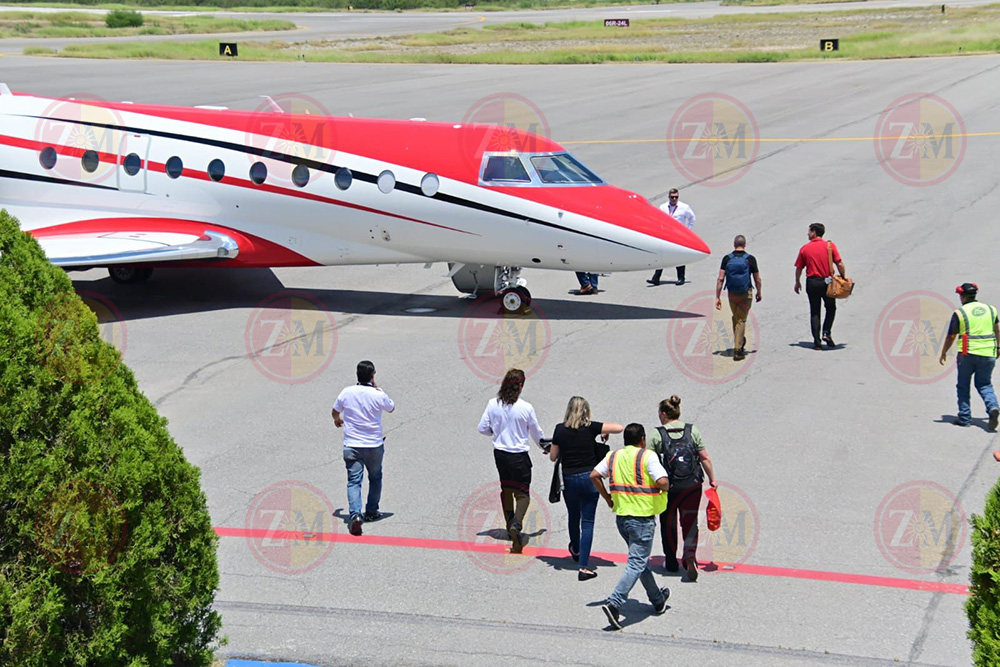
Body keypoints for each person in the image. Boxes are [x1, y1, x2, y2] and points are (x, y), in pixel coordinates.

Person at [591, 423, 670, 630]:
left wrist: (608, 498)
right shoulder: (648, 456)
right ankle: (615, 603)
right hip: (642, 518)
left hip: (622, 518)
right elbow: (662, 481)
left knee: (640, 560)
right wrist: (667, 485)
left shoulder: (614, 456)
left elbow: (594, 475)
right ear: (642, 439)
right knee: (636, 562)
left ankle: (657, 600)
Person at [549, 397, 624, 581]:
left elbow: (553, 457)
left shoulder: (560, 429)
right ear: (585, 411)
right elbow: (619, 427)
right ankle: (584, 566)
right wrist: (603, 432)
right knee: (588, 522)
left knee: (573, 516)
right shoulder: (590, 427)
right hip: (590, 478)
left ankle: (575, 548)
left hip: (569, 479)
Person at [649, 396, 716, 582]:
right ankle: (689, 558)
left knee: (668, 523)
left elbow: (649, 461)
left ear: (663, 414)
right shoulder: (692, 430)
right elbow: (704, 457)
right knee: (690, 522)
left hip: (668, 486)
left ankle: (670, 561)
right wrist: (712, 479)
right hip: (692, 484)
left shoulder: (657, 434)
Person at [478, 368, 544, 552]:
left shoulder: (493, 404)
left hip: (500, 454)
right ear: (521, 385)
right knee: (522, 493)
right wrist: (545, 447)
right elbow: (536, 433)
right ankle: (517, 524)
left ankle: (509, 526)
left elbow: (482, 428)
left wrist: (496, 432)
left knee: (506, 490)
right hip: (519, 456)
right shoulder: (526, 407)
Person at [331, 360, 395, 537]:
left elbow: (335, 411)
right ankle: (372, 511)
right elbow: (391, 408)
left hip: (352, 445)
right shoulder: (378, 394)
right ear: (372, 375)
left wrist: (337, 420)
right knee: (375, 477)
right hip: (374, 445)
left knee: (354, 481)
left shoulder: (347, 392)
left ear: (357, 375)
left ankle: (355, 515)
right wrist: (378, 387)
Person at [938, 283, 1000, 429]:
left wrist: (943, 352)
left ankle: (965, 418)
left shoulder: (960, 313)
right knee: (984, 384)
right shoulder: (991, 309)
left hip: (967, 354)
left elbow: (951, 336)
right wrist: (998, 347)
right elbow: (997, 330)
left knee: (963, 386)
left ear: (962, 296)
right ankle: (993, 407)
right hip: (988, 353)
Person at [794, 222, 846, 350]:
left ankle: (817, 343)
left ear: (814, 232)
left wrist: (797, 282)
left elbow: (799, 268)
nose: (808, 233)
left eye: (809, 231)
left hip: (812, 282)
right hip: (827, 282)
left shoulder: (805, 248)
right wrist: (843, 277)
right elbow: (839, 263)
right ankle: (826, 332)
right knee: (831, 308)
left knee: (815, 312)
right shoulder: (830, 246)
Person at [715, 235, 762, 361]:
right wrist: (759, 292)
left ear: (734, 244)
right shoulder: (750, 259)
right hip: (746, 293)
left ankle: (739, 340)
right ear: (745, 244)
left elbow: (720, 278)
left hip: (732, 293)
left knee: (736, 318)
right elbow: (757, 278)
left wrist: (717, 297)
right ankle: (737, 349)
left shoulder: (727, 259)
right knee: (741, 319)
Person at [649, 188, 696, 285]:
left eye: (676, 197)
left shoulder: (684, 207)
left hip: (678, 235)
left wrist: (687, 230)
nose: (674, 199)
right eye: (672, 197)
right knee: (661, 255)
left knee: (678, 256)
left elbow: (692, 218)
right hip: (665, 235)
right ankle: (656, 278)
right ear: (669, 197)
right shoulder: (663, 207)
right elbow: (658, 219)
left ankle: (681, 278)